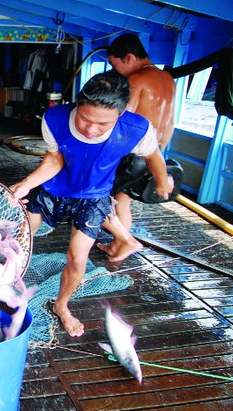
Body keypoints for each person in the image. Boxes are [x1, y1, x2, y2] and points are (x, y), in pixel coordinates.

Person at [9, 71, 173, 337]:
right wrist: (27, 183)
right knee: (19, 241)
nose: (91, 129)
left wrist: (162, 181)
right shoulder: (54, 118)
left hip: (93, 196)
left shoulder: (136, 129)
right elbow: (54, 159)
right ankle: (2, 286)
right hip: (53, 189)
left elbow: (153, 156)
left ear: (121, 113)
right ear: (78, 103)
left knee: (77, 259)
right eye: (85, 118)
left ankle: (62, 305)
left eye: (103, 123)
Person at [100, 33, 177, 257]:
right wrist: (157, 158)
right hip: (154, 153)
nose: (114, 70)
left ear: (129, 58)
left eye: (115, 64)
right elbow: (171, 122)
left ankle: (125, 242)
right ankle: (117, 247)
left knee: (101, 199)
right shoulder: (168, 79)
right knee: (122, 201)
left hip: (132, 154)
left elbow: (123, 121)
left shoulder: (135, 80)